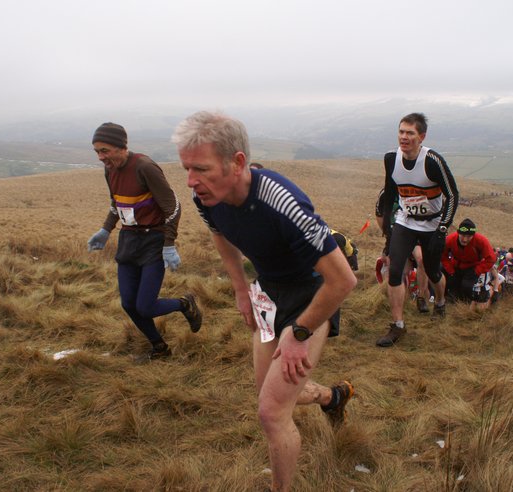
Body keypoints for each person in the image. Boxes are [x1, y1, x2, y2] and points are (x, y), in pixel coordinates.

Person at [172, 111, 357, 492]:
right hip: (268, 293)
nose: (191, 181)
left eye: (201, 169)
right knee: (269, 393)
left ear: (237, 162)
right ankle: (332, 397)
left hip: (311, 295)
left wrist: (300, 333)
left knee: (271, 413)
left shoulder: (282, 203)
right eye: (186, 169)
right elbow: (220, 234)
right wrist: (241, 288)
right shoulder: (205, 197)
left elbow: (342, 280)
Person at [87, 122, 202, 360]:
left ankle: (184, 304)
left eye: (104, 151)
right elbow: (116, 204)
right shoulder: (110, 170)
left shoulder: (145, 167)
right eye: (97, 151)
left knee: (145, 307)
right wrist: (105, 229)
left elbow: (173, 207)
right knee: (129, 304)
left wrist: (168, 244)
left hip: (153, 241)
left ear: (121, 146)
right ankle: (159, 348)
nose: (100, 157)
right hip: (129, 240)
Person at [376, 113, 459, 347]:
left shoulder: (432, 161)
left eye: (410, 133)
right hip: (406, 221)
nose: (404, 137)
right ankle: (398, 325)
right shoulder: (391, 159)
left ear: (421, 137)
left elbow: (453, 195)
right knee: (395, 271)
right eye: (401, 131)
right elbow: (390, 192)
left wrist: (442, 229)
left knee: (432, 271)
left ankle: (440, 302)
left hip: (432, 224)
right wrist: (388, 229)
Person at [374, 188, 430, 313]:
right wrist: (388, 234)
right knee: (396, 267)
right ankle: (400, 300)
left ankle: (421, 297)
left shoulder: (416, 188)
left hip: (416, 232)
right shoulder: (386, 192)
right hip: (397, 234)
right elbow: (379, 214)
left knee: (421, 259)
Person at [441, 218, 497, 303]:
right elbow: (442, 255)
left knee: (466, 286)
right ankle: (449, 302)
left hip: (473, 267)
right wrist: (450, 269)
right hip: (455, 265)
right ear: (458, 233)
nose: (465, 240)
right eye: (463, 235)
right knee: (451, 285)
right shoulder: (450, 239)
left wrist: (477, 270)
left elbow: (491, 258)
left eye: (469, 236)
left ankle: (466, 305)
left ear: (473, 235)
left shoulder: (481, 241)